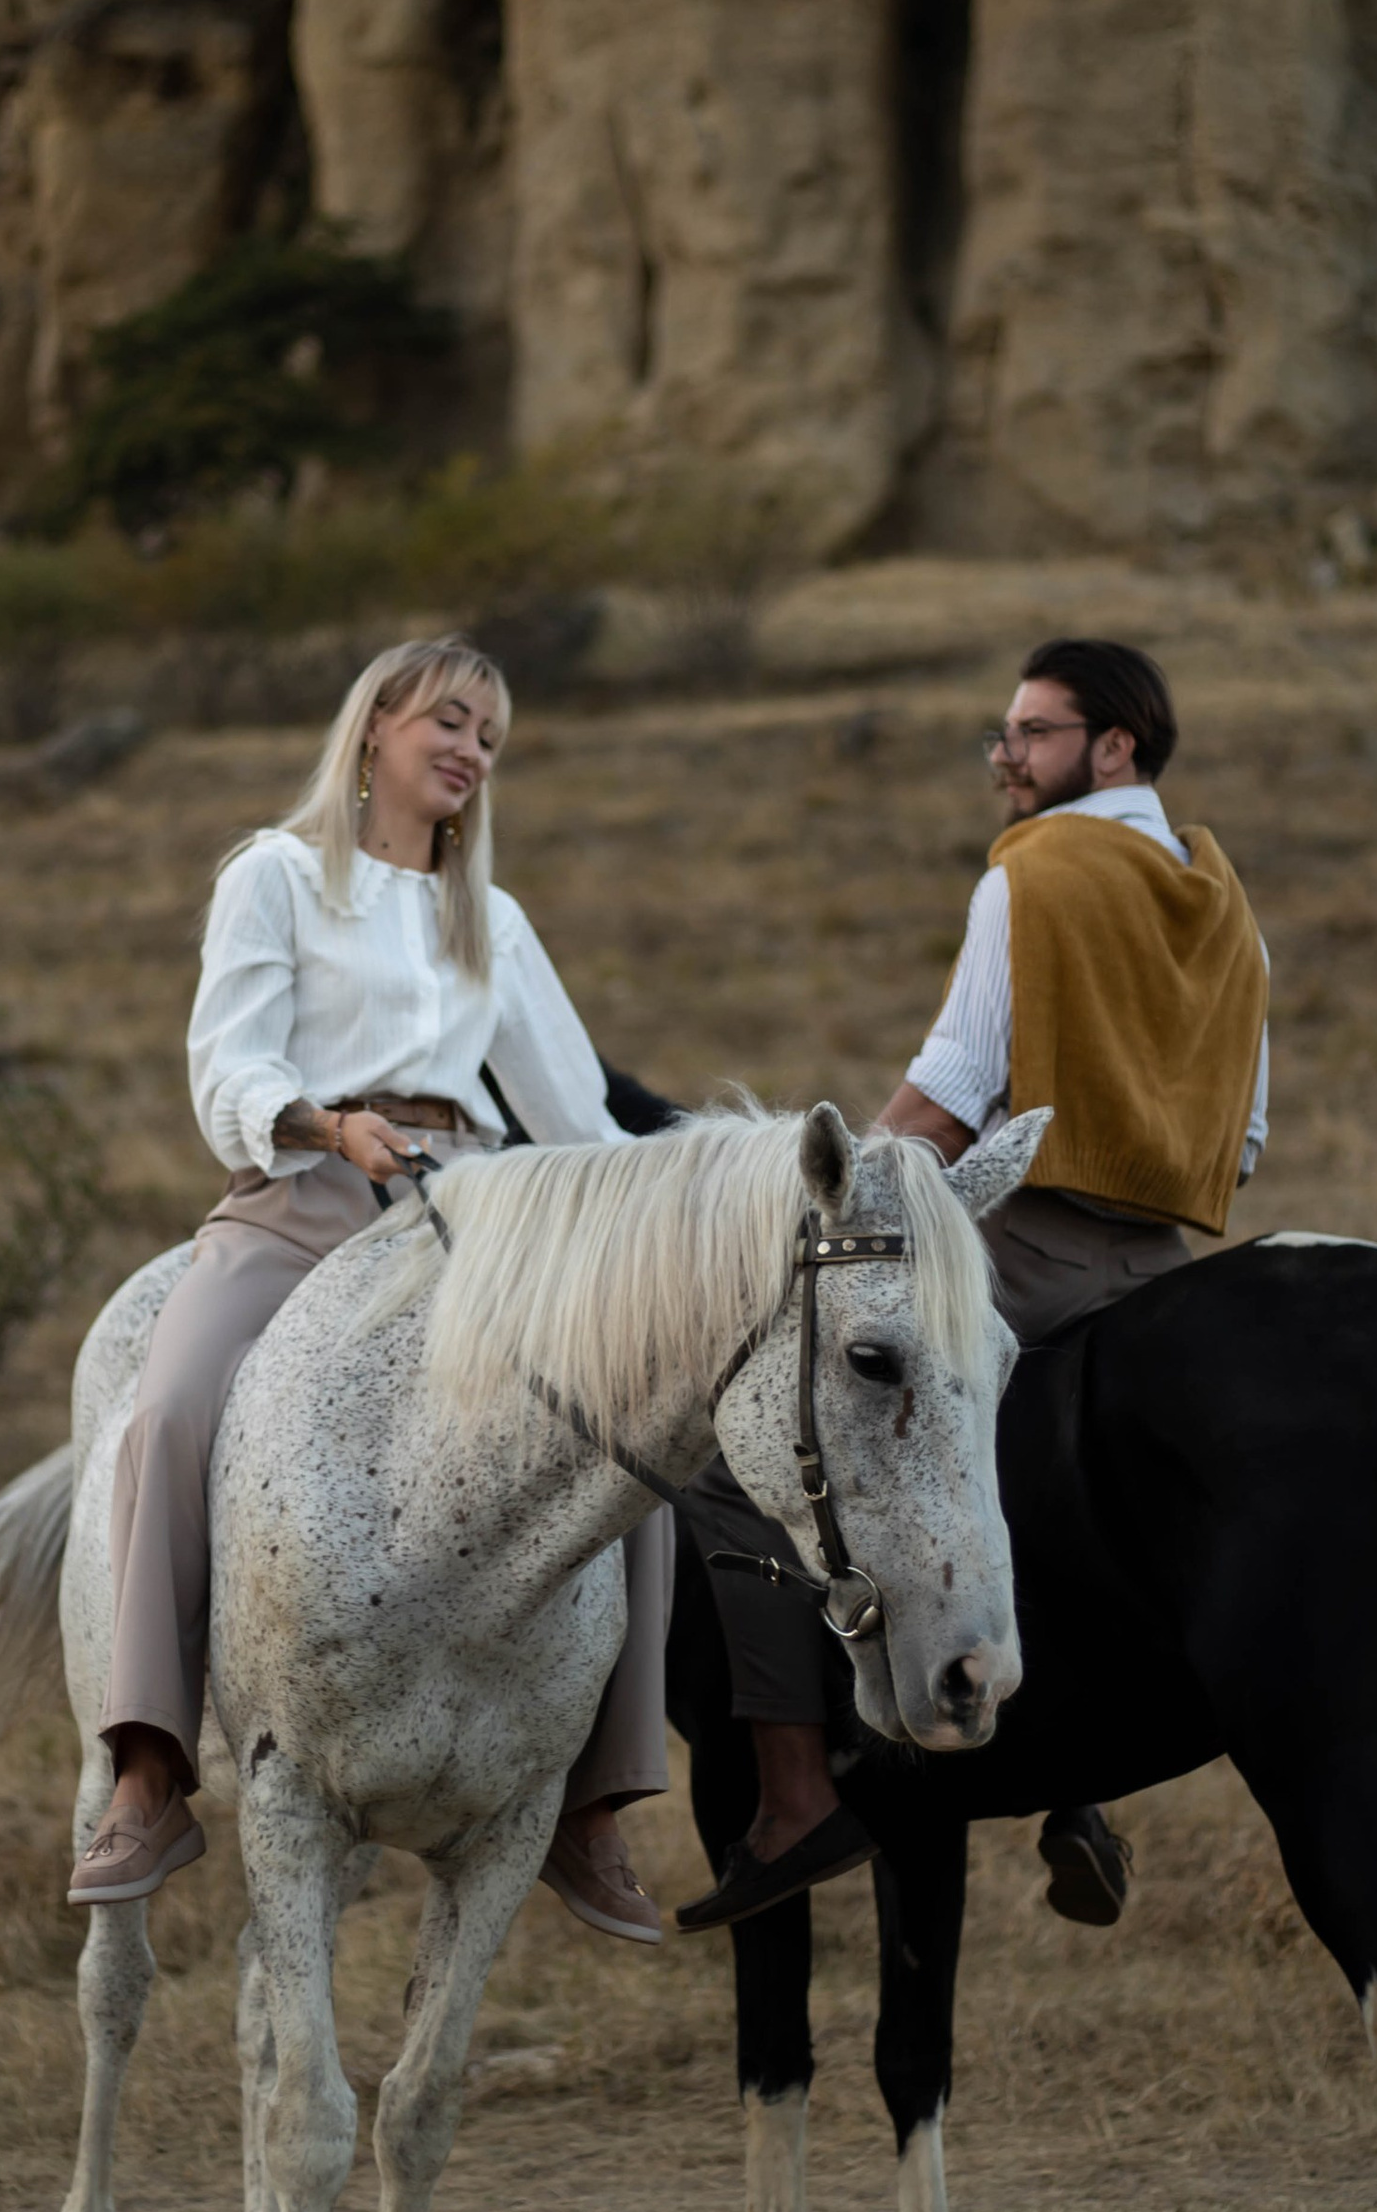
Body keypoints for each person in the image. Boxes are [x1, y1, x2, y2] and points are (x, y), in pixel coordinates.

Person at [69, 634, 674, 1946]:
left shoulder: (493, 920)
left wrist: (679, 1208)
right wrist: (330, 1127)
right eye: (450, 722)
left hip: (477, 1214)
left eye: (490, 739)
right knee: (168, 1411)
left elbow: (579, 1119)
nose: (470, 752)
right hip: (308, 1194)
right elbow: (229, 1066)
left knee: (635, 1436)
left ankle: (593, 1802)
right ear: (377, 724)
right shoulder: (276, 876)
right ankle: (150, 1766)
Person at [678, 636, 1270, 1933]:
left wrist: (835, 1187)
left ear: (1114, 746)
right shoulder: (1219, 897)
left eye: (1033, 733)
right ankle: (1077, 1790)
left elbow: (949, 1094)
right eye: (1003, 734)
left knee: (731, 1460)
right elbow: (1248, 1139)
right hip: (1163, 1259)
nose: (1006, 757)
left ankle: (793, 1794)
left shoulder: (1034, 873)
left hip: (1024, 1245)